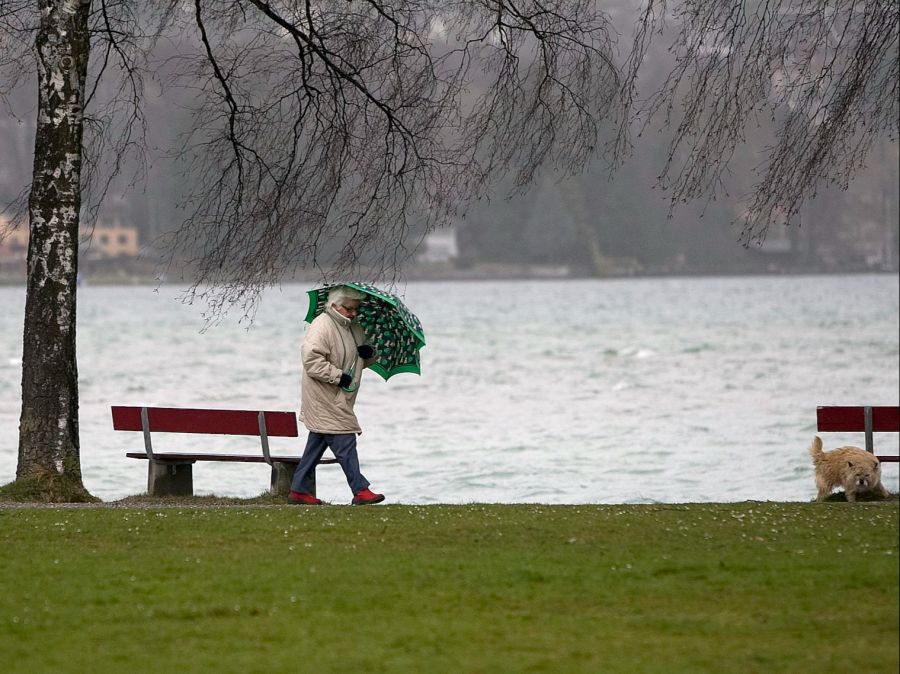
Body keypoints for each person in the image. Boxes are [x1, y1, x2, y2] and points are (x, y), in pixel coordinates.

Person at [288, 285, 385, 505]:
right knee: (345, 439)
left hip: (340, 395)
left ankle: (298, 490)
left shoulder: (354, 328)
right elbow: (311, 361)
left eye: (356, 309)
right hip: (323, 395)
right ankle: (361, 490)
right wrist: (338, 376)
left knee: (319, 441)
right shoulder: (321, 326)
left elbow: (356, 361)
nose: (353, 313)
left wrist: (369, 355)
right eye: (349, 308)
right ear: (335, 306)